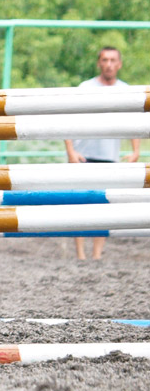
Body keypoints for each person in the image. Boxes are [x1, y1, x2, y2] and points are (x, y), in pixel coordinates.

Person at [63, 47, 141, 260]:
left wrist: (136, 151)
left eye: (113, 60)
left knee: (103, 207)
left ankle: (97, 255)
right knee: (78, 206)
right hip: (82, 156)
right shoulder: (85, 87)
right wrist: (70, 150)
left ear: (119, 64)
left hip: (109, 156)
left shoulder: (126, 90)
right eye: (105, 60)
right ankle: (80, 255)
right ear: (99, 63)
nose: (108, 64)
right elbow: (66, 118)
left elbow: (134, 121)